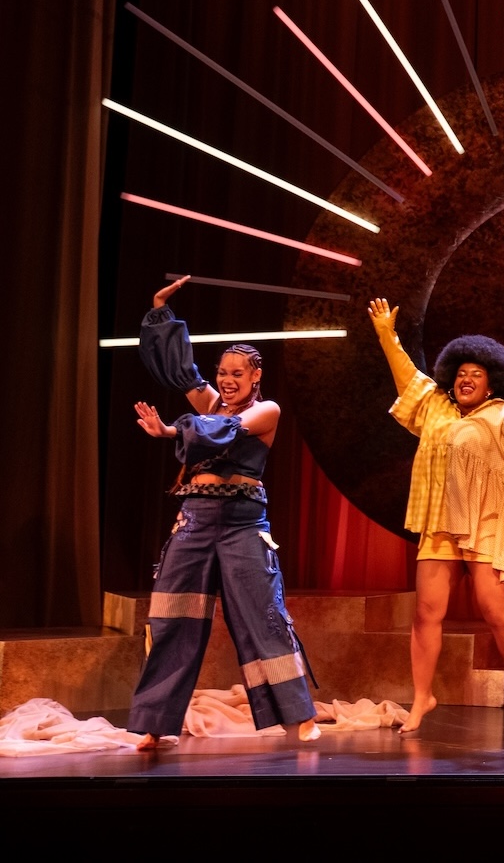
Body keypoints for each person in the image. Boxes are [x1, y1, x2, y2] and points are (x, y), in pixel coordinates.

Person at [127, 275, 319, 748]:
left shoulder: (265, 412)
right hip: (194, 521)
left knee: (263, 619)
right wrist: (160, 314)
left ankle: (299, 718)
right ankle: (156, 722)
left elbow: (222, 432)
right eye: (223, 372)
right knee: (173, 618)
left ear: (256, 377)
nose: (227, 380)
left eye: (238, 373)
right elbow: (181, 372)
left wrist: (173, 433)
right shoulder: (211, 401)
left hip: (243, 527)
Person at [367, 298, 504, 732]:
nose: (466, 379)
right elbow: (406, 378)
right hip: (439, 518)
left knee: (495, 610)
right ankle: (422, 697)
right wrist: (387, 334)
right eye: (460, 374)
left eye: (475, 374)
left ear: (492, 384)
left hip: (485, 523)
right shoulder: (435, 405)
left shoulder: (503, 414)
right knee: (426, 612)